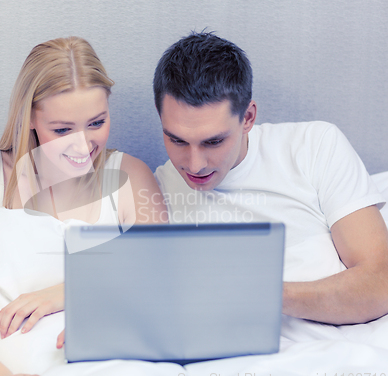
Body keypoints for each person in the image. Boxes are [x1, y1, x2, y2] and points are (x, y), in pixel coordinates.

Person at [0, 37, 167, 376]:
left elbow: (164, 281)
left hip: (116, 363)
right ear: (30, 118)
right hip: (14, 372)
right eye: (62, 130)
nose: (83, 145)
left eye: (97, 123)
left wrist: (65, 293)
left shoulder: (130, 175)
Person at [153, 31, 388, 325]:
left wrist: (262, 294)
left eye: (213, 142)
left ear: (248, 118)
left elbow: (381, 281)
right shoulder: (153, 195)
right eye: (177, 140)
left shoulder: (314, 147)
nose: (195, 164)